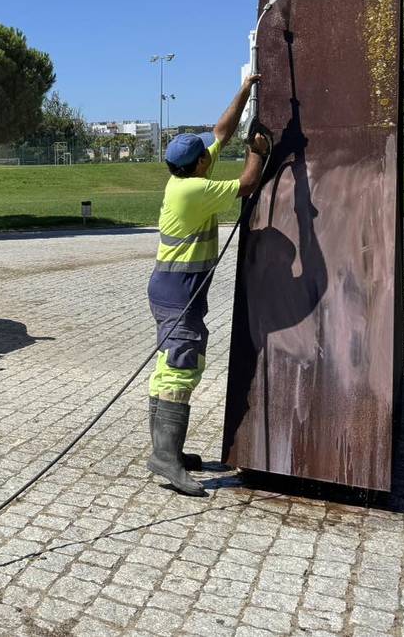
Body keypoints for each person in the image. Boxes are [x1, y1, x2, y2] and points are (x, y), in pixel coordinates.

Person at [146, 74, 269, 497]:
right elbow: (249, 183)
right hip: (179, 288)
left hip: (170, 285)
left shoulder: (186, 174)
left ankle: (168, 452)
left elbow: (220, 131)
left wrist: (245, 90)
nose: (210, 153)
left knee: (170, 364)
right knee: (183, 365)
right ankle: (165, 456)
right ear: (199, 165)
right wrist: (259, 151)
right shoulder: (194, 191)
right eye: (206, 156)